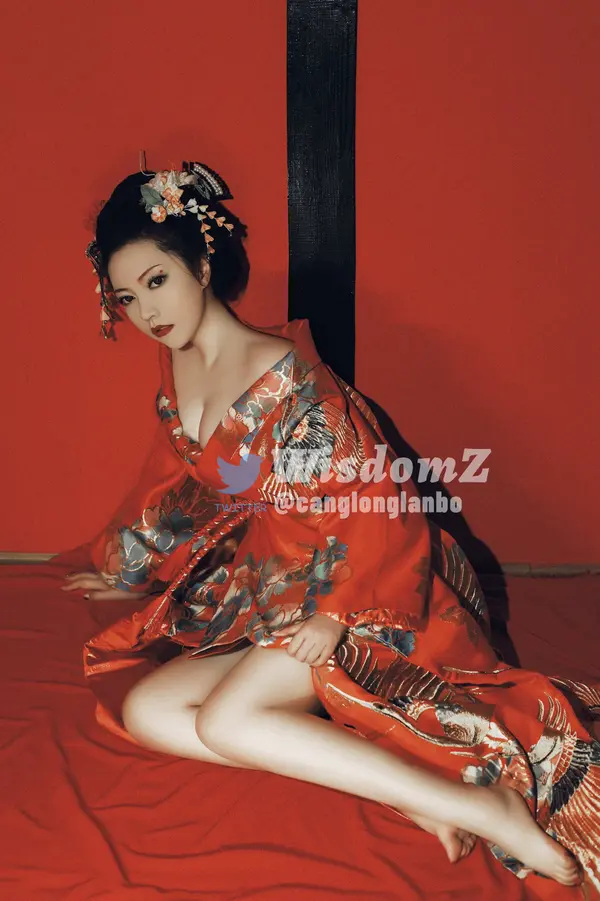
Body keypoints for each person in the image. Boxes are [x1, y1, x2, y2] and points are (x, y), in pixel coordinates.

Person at [66, 160, 599, 892]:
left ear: (202, 264)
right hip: (267, 587)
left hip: (359, 587)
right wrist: (126, 565)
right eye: (127, 296)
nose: (146, 310)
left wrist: (336, 612)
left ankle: (485, 806)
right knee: (148, 710)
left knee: (225, 722)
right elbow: (183, 478)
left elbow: (384, 501)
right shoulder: (177, 365)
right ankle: (412, 792)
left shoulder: (290, 378)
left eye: (157, 281)